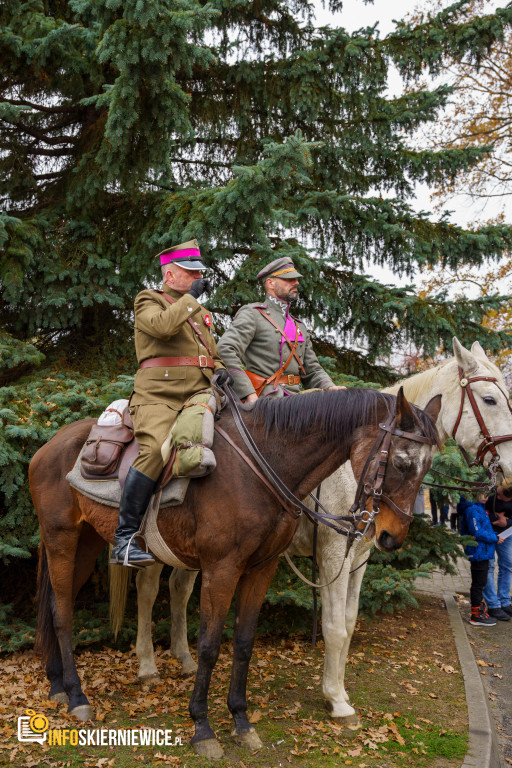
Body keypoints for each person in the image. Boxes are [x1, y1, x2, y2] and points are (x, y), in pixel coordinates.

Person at [110, 239, 231, 568]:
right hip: (158, 396)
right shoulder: (148, 299)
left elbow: (213, 354)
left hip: (200, 392)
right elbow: (161, 328)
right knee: (156, 449)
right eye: (189, 272)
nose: (196, 277)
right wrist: (191, 299)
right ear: (170, 274)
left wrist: (220, 372)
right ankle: (124, 540)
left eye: (197, 272)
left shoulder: (199, 312)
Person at [218, 257, 346, 401]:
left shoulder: (299, 326)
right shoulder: (253, 314)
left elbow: (312, 370)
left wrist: (329, 386)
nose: (296, 282)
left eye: (296, 279)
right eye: (288, 279)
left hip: (295, 400)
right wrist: (247, 393)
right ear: (270, 283)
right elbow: (225, 349)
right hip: (264, 400)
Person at [458, 494, 501, 627]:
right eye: (483, 494)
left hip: (484, 552)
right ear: (473, 494)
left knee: (481, 582)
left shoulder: (479, 508)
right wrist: (494, 537)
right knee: (478, 583)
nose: (486, 497)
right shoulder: (472, 510)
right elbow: (477, 532)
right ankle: (476, 615)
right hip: (478, 551)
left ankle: (480, 610)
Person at [482, 482, 512, 621]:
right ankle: (493, 604)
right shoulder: (492, 484)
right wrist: (494, 520)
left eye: (502, 497)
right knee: (489, 566)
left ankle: (504, 601)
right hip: (489, 532)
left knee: (507, 565)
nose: (498, 497)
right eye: (498, 494)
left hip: (507, 533)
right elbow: (478, 509)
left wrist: (507, 523)